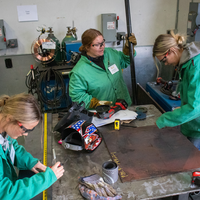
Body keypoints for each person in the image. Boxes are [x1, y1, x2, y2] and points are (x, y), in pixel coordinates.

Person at [0, 93, 64, 199]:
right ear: (10, 118)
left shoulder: (4, 127)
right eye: (25, 129)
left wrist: (31, 162)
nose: (26, 134)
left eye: (31, 130)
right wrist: (46, 179)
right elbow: (6, 193)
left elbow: (11, 147)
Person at [153, 30, 200, 150]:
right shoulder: (186, 63)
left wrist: (164, 120)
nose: (166, 64)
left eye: (164, 60)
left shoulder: (195, 66)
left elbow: (195, 107)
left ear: (172, 51)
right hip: (191, 124)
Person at [69, 28, 137, 109]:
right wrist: (97, 104)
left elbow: (125, 61)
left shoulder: (110, 53)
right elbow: (77, 96)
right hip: (102, 114)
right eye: (97, 45)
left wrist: (129, 48)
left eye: (103, 42)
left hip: (124, 107)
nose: (102, 47)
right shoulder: (79, 72)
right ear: (87, 47)